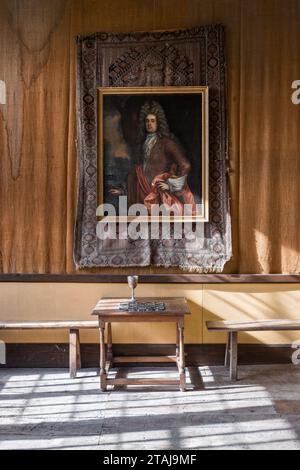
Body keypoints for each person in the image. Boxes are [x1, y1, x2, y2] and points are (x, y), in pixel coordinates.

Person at [110, 100, 196, 215]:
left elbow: (185, 165)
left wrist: (170, 185)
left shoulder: (167, 143)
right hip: (142, 193)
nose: (149, 124)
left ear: (158, 123)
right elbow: (138, 174)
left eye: (152, 121)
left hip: (160, 196)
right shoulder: (142, 143)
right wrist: (123, 190)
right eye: (147, 121)